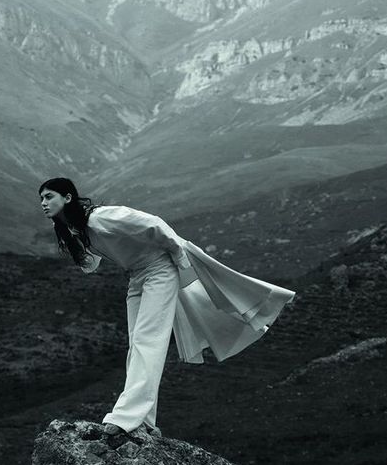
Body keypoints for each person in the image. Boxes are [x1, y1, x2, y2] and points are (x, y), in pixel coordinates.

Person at [39, 177, 295, 438]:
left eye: (49, 197)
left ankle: (127, 417)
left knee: (148, 341)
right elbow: (90, 265)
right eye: (41, 199)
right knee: (137, 344)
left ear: (68, 197)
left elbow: (154, 223)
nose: (43, 203)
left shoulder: (100, 217)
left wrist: (179, 257)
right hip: (137, 276)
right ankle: (145, 421)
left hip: (160, 268)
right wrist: (66, 230)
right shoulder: (79, 226)